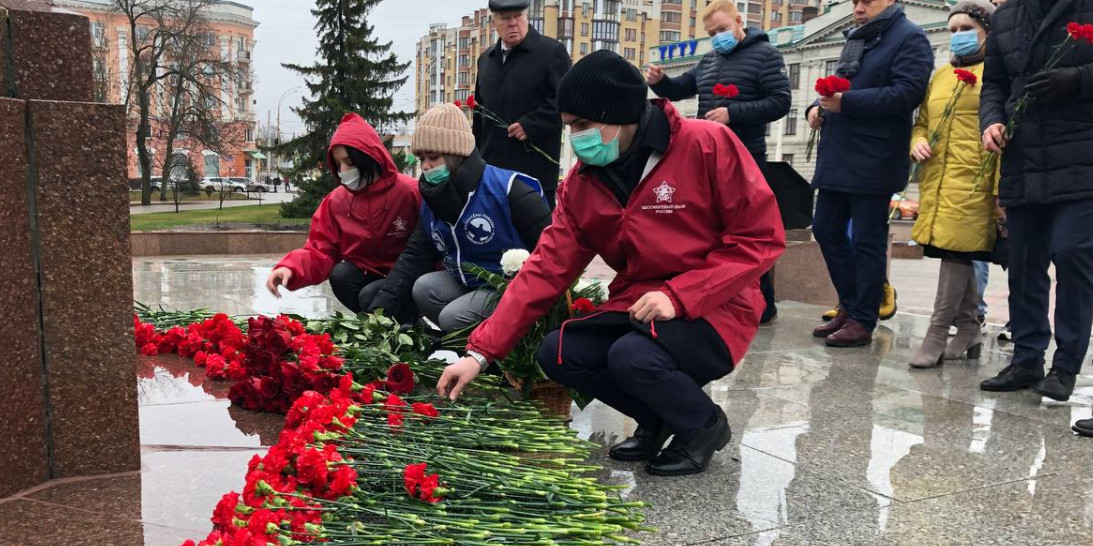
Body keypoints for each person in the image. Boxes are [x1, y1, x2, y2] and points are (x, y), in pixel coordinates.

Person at [437, 52, 785, 477]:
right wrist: (479, 353)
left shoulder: (706, 144)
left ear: (620, 114)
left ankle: (703, 426)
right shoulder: (584, 183)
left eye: (583, 124)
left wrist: (680, 295)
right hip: (639, 302)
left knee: (630, 356)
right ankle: (658, 417)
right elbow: (546, 267)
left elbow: (759, 238)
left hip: (718, 300)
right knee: (560, 352)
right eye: (569, 126)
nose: (576, 138)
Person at [978, 0, 1093, 405]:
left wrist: (1078, 78)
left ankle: (1065, 366)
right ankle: (1026, 358)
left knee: (1072, 252)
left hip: (1085, 154)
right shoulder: (1006, 15)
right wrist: (991, 121)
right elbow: (994, 83)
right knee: (1024, 262)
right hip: (1025, 155)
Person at [646, 0, 791, 326]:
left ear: (739, 21)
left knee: (749, 232)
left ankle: (764, 303)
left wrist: (732, 113)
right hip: (707, 157)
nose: (717, 38)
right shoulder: (709, 60)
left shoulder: (766, 55)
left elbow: (781, 101)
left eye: (722, 29)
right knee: (707, 230)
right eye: (711, 33)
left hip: (746, 157)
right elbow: (681, 88)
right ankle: (716, 295)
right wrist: (660, 81)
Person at [808, 0, 934, 347]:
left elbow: (906, 94)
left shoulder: (909, 37)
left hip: (875, 157)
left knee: (867, 240)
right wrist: (815, 108)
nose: (858, 8)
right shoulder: (857, 38)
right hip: (838, 153)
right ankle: (851, 304)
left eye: (866, 1)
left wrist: (846, 103)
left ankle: (863, 317)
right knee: (825, 229)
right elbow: (838, 86)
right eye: (854, 2)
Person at [367, 104, 551, 332]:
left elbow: (552, 246)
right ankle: (469, 343)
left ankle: (496, 346)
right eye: (421, 158)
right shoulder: (433, 198)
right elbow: (415, 256)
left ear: (455, 154)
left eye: (433, 157)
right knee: (424, 288)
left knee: (452, 317)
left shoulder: (507, 190)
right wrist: (378, 314)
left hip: (508, 287)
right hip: (467, 281)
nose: (425, 166)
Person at [906, 0, 998, 368]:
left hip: (976, 180)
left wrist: (999, 190)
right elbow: (921, 123)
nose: (958, 36)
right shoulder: (942, 75)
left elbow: (1004, 130)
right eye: (953, 30)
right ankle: (970, 327)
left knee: (956, 254)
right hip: (938, 180)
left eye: (967, 29)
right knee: (954, 252)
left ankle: (937, 331)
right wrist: (917, 142)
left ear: (987, 32)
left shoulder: (997, 73)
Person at [265, 113, 420, 318]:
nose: (343, 171)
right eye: (338, 164)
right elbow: (319, 251)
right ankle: (376, 324)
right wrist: (290, 269)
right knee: (341, 275)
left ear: (369, 157)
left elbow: (430, 245)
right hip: (368, 277)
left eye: (349, 162)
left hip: (408, 277)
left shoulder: (409, 192)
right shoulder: (336, 201)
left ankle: (408, 321)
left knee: (369, 295)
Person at [472, 0, 571, 209]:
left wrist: (531, 125)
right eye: (505, 18)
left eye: (518, 16)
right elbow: (479, 114)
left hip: (533, 176)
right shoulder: (486, 60)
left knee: (536, 230)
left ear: (527, 17)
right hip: (491, 175)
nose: (513, 23)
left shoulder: (552, 52)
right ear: (494, 22)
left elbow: (564, 102)